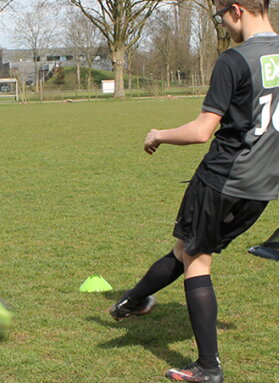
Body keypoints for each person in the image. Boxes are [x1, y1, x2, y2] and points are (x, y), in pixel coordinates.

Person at [108, 0, 278, 382]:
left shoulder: (234, 60)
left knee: (196, 260)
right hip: (263, 187)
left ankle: (207, 367)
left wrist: (159, 135)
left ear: (236, 9)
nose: (223, 25)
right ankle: (132, 301)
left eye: (220, 16)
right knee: (187, 248)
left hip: (224, 178)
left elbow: (202, 131)